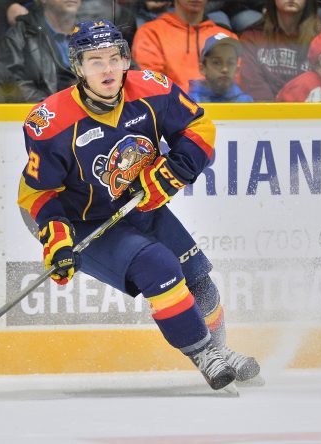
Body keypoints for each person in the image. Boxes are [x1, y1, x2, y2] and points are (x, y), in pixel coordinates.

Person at [18, 20, 261, 391]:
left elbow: (200, 128)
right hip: (82, 220)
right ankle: (204, 355)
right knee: (159, 266)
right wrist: (55, 238)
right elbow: (38, 193)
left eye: (115, 58)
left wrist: (173, 172)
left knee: (199, 280)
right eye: (95, 61)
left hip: (138, 204)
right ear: (78, 67)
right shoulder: (50, 123)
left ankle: (220, 348)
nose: (108, 69)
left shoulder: (152, 88)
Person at [132, 0, 238, 93]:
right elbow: (152, 86)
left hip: (222, 110)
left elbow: (234, 85)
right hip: (172, 111)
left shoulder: (227, 37)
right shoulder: (151, 33)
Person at [0, 0, 81, 103]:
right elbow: (11, 81)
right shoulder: (21, 34)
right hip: (42, 113)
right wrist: (51, 107)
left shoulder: (93, 32)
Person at [239, 0, 321, 102]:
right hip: (264, 112)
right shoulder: (252, 36)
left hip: (308, 112)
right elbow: (252, 82)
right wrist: (274, 111)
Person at [189, 31, 253, 102]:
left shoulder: (246, 102)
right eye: (217, 63)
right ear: (202, 68)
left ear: (237, 70)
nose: (225, 69)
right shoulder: (191, 103)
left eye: (230, 63)